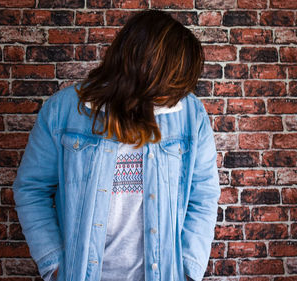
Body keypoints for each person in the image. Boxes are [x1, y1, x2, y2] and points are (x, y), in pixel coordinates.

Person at [12, 9, 221, 281]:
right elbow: (31, 189)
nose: (173, 95)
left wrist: (188, 269)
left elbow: (204, 194)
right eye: (169, 81)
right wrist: (54, 263)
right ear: (141, 66)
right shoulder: (63, 111)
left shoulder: (190, 114)